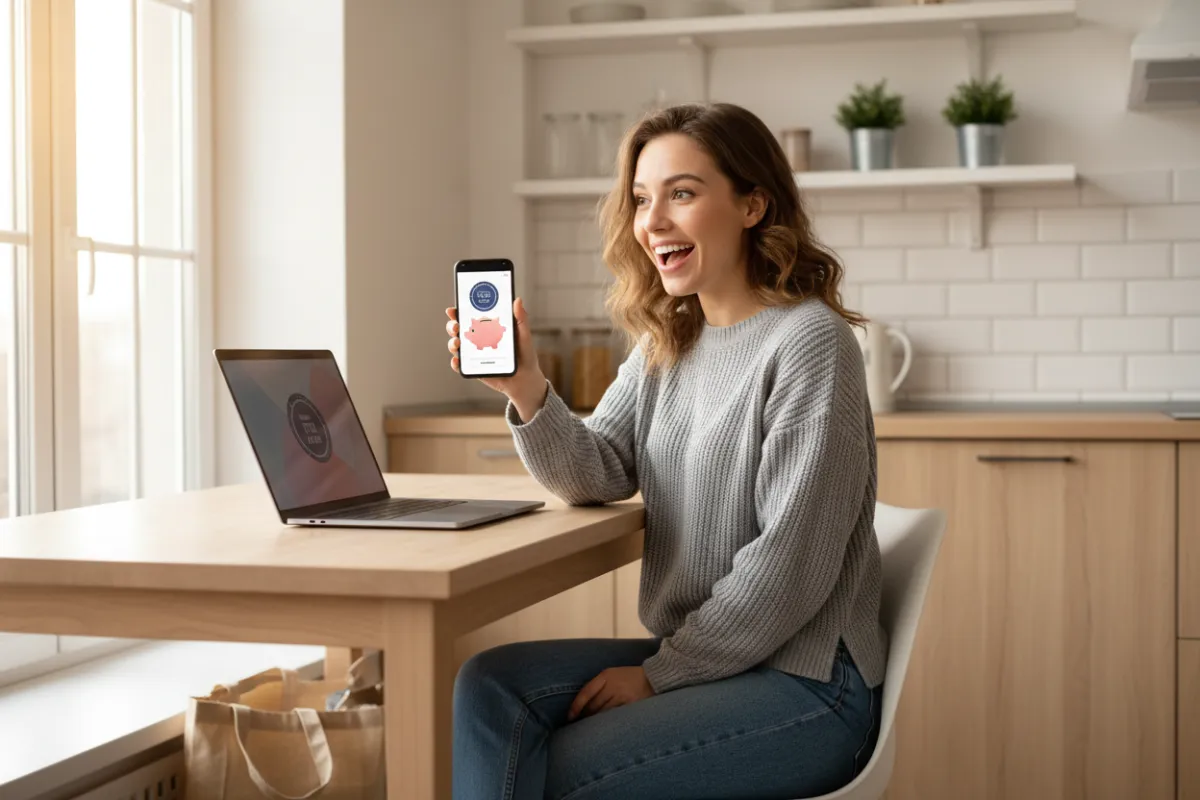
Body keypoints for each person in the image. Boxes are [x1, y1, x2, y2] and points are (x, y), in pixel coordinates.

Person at [443, 102, 886, 800]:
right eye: (642, 199)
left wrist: (659, 675)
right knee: (490, 686)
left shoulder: (809, 342)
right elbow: (597, 472)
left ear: (752, 205)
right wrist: (525, 386)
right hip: (714, 657)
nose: (651, 222)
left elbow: (789, 569)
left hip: (806, 682)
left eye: (681, 193)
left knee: (547, 770)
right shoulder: (668, 341)